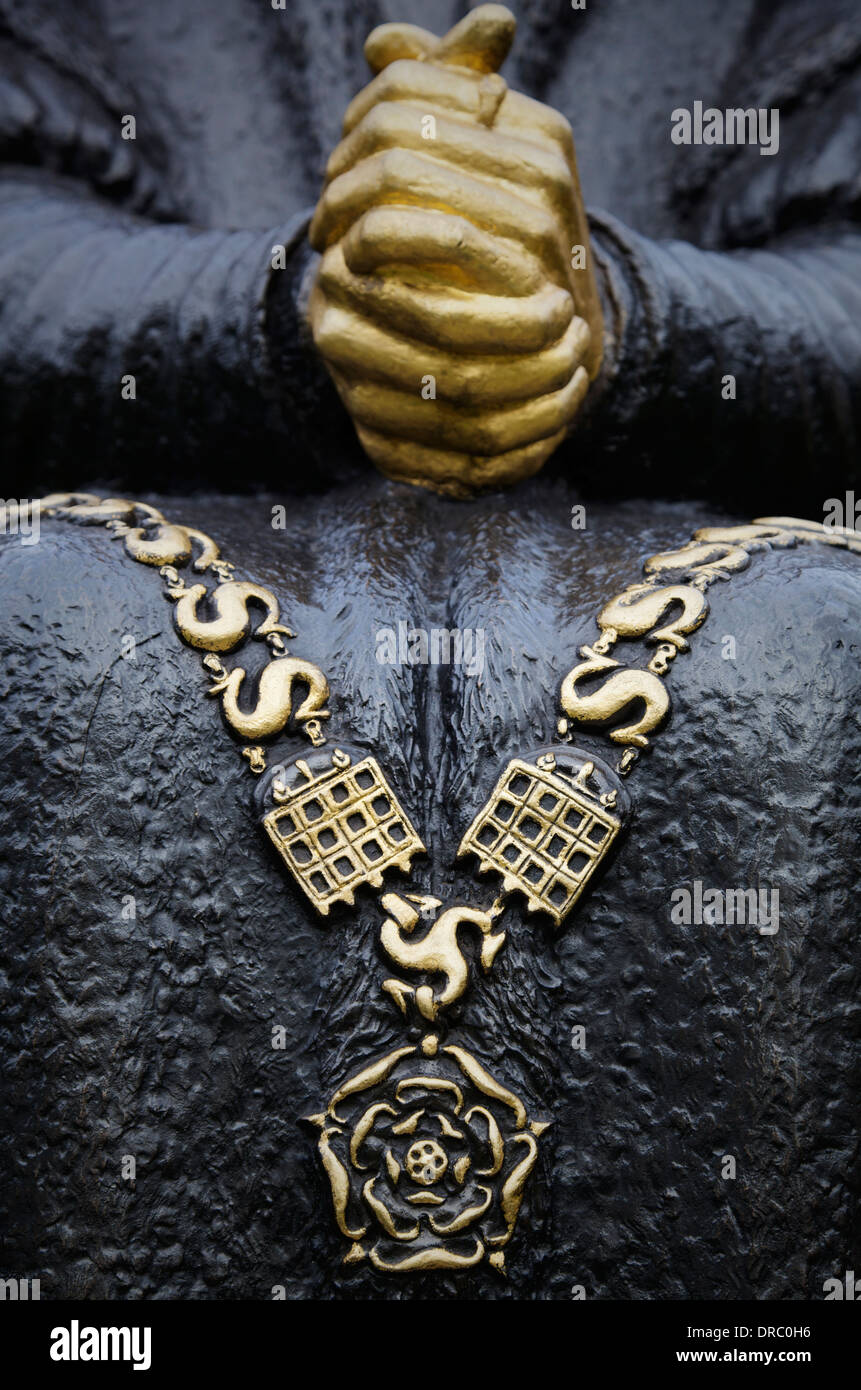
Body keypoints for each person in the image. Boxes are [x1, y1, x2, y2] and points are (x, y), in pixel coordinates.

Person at [0, 0, 858, 1299]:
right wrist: (298, 299)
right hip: (122, 608)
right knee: (57, 631)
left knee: (798, 659)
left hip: (734, 624)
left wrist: (617, 309)